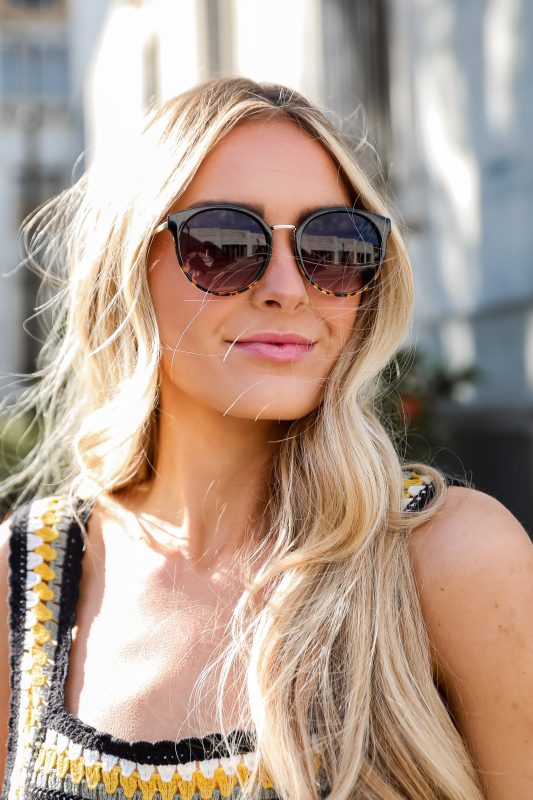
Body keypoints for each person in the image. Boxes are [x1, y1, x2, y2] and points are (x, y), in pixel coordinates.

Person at [0, 77, 531, 800]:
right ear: (128, 268)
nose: (288, 287)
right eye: (224, 242)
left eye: (335, 245)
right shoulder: (28, 575)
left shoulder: (450, 558)